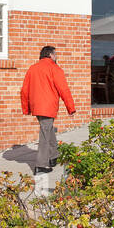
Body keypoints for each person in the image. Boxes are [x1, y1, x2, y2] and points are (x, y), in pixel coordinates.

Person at [20, 45, 76, 174]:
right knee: (45, 133)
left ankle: (53, 155)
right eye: (55, 54)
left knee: (48, 129)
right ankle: (41, 164)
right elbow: (64, 89)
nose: (56, 57)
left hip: (37, 106)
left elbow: (24, 90)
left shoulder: (32, 68)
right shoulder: (54, 68)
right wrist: (71, 108)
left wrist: (26, 108)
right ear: (50, 55)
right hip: (47, 106)